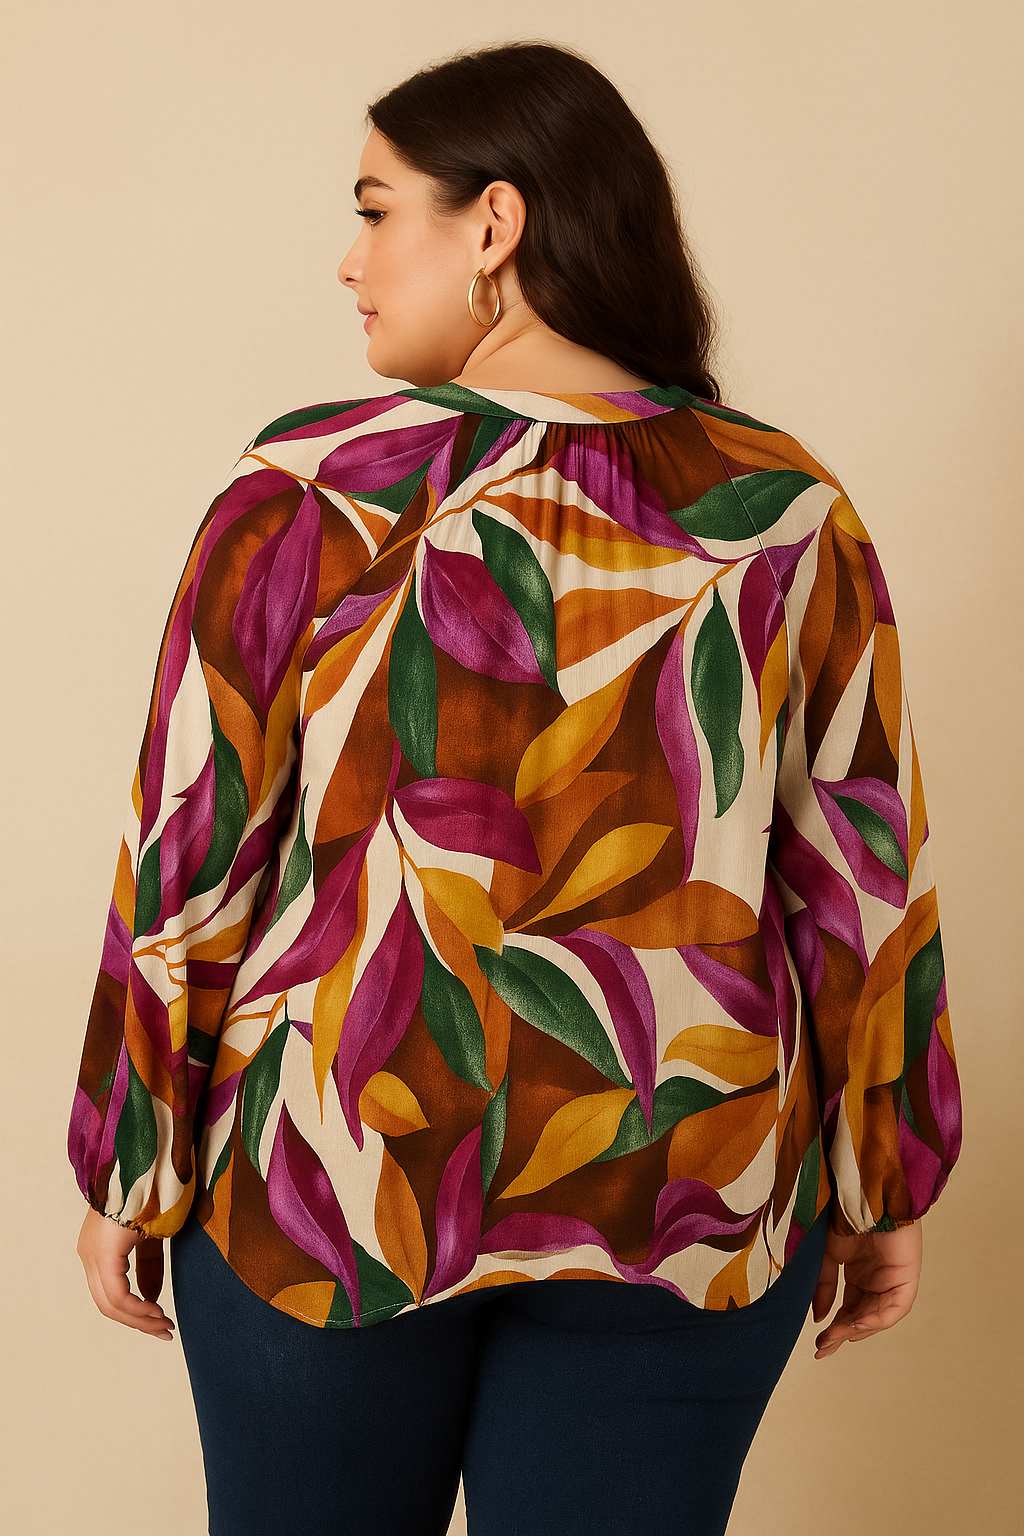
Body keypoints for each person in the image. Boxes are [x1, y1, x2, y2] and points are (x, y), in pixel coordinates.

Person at [70, 38, 961, 1536]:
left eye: (375, 211)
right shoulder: (782, 511)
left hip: (333, 1175)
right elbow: (859, 873)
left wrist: (132, 1157)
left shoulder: (306, 493)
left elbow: (194, 851)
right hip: (680, 1190)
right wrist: (884, 1176)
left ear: (493, 224)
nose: (349, 261)